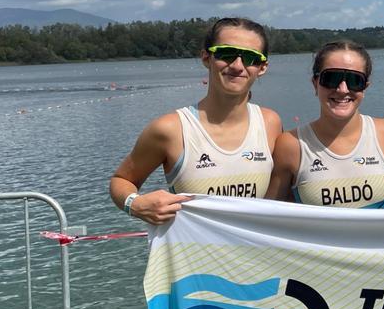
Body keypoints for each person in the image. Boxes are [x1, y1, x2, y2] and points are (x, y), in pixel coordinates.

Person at [110, 17, 283, 224]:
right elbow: (122, 180)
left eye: (250, 58)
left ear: (262, 67)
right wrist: (135, 204)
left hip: (254, 255)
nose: (237, 66)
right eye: (226, 53)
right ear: (206, 58)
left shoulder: (270, 123)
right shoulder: (170, 129)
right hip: (194, 255)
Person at [267, 40, 384, 208]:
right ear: (315, 83)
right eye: (332, 78)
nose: (343, 89)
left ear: (365, 87)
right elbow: (269, 217)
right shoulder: (291, 145)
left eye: (354, 80)